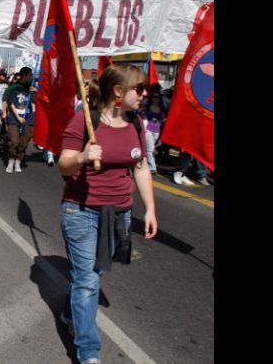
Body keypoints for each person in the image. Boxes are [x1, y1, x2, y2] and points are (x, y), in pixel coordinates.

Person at [57, 64, 158, 364]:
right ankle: (89, 353)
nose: (145, 94)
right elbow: (63, 164)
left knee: (92, 275)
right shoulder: (85, 120)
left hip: (119, 213)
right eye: (139, 89)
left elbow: (140, 167)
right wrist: (83, 156)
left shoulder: (136, 123)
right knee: (88, 282)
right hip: (81, 211)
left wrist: (150, 209)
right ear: (118, 91)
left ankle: (70, 311)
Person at [3, 67, 34, 173]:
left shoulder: (31, 88)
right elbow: (10, 103)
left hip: (28, 118)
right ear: (24, 75)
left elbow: (35, 101)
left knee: (24, 142)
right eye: (30, 75)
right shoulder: (14, 88)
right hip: (15, 117)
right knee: (14, 141)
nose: (31, 77)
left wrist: (34, 92)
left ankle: (18, 160)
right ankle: (11, 160)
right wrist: (18, 117)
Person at [144, 88, 166, 175]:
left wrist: (161, 121)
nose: (155, 99)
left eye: (157, 97)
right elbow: (143, 116)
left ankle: (146, 163)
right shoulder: (147, 107)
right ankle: (153, 168)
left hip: (157, 131)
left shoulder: (162, 109)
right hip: (148, 129)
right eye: (153, 97)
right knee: (150, 149)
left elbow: (163, 120)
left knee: (150, 148)